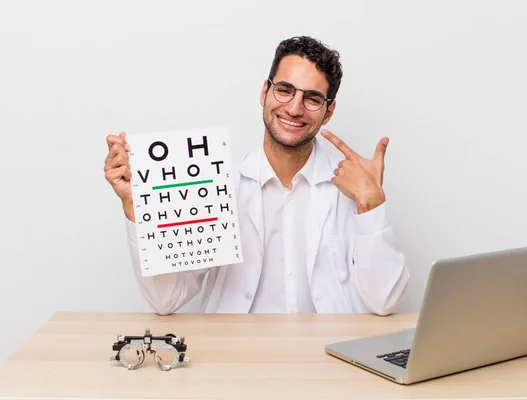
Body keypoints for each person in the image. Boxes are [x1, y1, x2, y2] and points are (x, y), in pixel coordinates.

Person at [104, 36, 409, 315]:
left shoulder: (352, 189)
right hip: (236, 362)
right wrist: (137, 208)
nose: (294, 108)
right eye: (284, 90)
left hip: (331, 361)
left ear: (328, 112)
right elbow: (166, 299)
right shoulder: (217, 184)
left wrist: (372, 204)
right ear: (265, 92)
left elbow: (385, 302)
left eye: (312, 98)